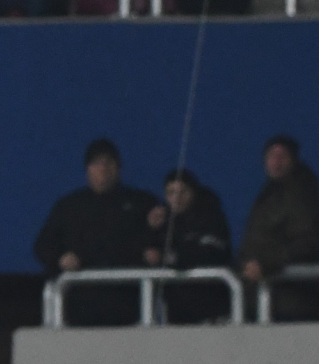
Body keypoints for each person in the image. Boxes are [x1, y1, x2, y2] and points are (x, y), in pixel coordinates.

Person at [33, 138, 160, 328]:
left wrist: (154, 243)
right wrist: (61, 258)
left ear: (118, 168)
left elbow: (163, 240)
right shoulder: (69, 206)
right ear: (87, 169)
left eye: (109, 162)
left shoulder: (142, 203)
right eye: (97, 163)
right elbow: (42, 246)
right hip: (79, 310)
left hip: (132, 310)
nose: (103, 169)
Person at [240, 135, 319, 321]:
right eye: (271, 156)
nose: (276, 162)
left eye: (283, 156)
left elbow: (306, 244)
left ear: (293, 160)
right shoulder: (270, 193)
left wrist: (265, 264)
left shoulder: (300, 194)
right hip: (263, 296)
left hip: (288, 299)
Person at [149, 169, 234, 325]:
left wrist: (170, 257)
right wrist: (152, 230)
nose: (177, 198)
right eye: (171, 193)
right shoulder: (164, 224)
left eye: (183, 192)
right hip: (176, 314)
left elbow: (209, 254)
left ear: (193, 192)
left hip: (213, 312)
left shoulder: (211, 217)